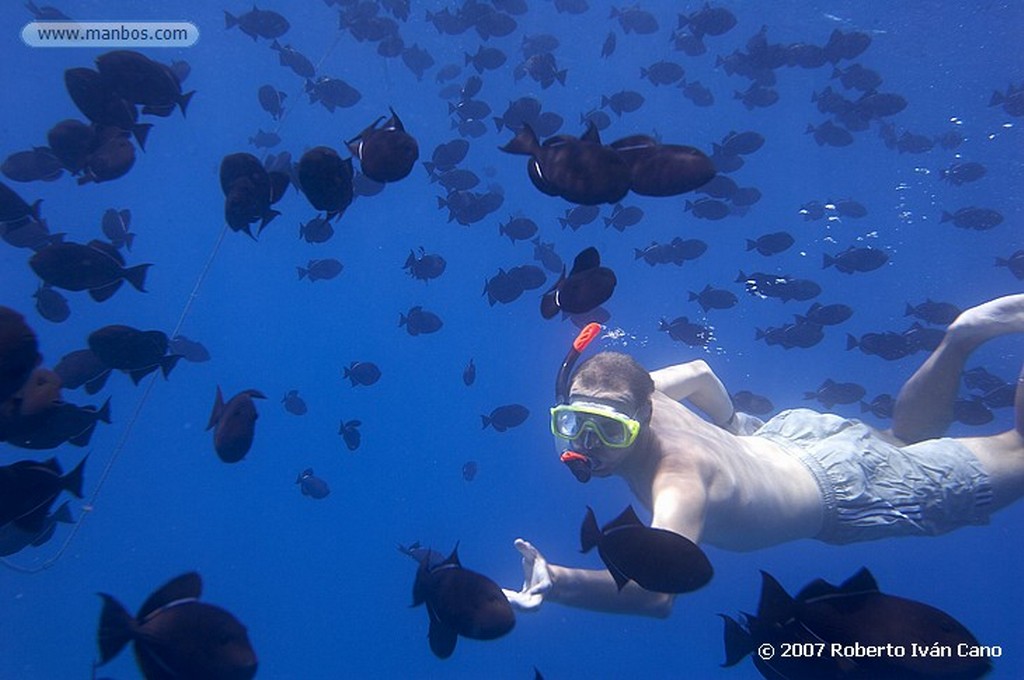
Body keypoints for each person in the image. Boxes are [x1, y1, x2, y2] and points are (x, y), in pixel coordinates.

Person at [502, 294, 1024, 618]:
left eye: (610, 430)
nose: (588, 445)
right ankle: (960, 340)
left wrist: (559, 581)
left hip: (843, 490)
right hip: (783, 437)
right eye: (573, 424)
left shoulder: (677, 483)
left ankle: (965, 335)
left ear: (638, 416)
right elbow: (701, 372)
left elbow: (654, 596)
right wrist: (732, 428)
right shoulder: (639, 390)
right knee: (902, 442)